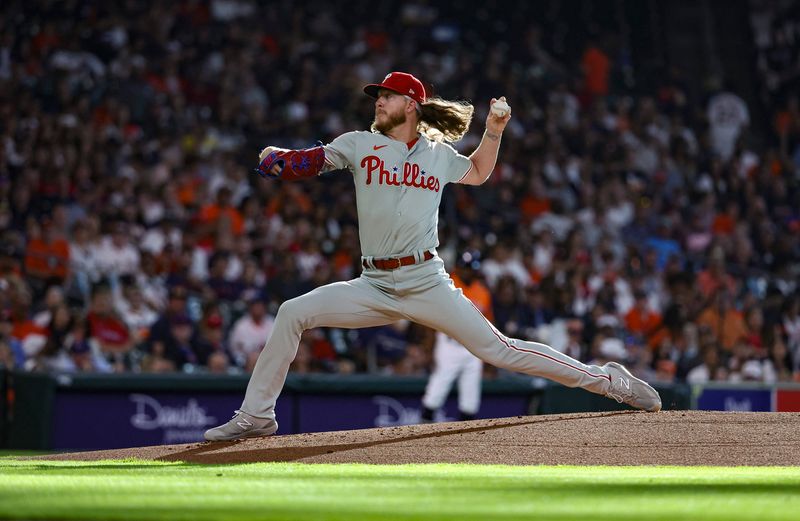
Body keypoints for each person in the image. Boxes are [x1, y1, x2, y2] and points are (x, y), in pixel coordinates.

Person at [205, 71, 661, 441]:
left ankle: (608, 380)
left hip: (426, 280)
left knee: (499, 351)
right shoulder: (359, 144)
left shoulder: (439, 155)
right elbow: (305, 162)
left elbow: (480, 172)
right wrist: (275, 157)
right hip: (373, 285)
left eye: (386, 96)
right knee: (292, 312)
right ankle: (257, 415)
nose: (378, 103)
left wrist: (494, 131)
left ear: (411, 105)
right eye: (377, 97)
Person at [421, 250, 491, 422]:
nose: (467, 271)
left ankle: (463, 443)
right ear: (458, 267)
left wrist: (489, 357)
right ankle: (421, 439)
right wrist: (429, 348)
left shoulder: (482, 292)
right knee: (434, 395)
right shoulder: (446, 284)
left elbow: (488, 325)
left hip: (473, 348)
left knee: (470, 402)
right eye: (464, 267)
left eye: (470, 268)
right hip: (448, 345)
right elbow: (430, 317)